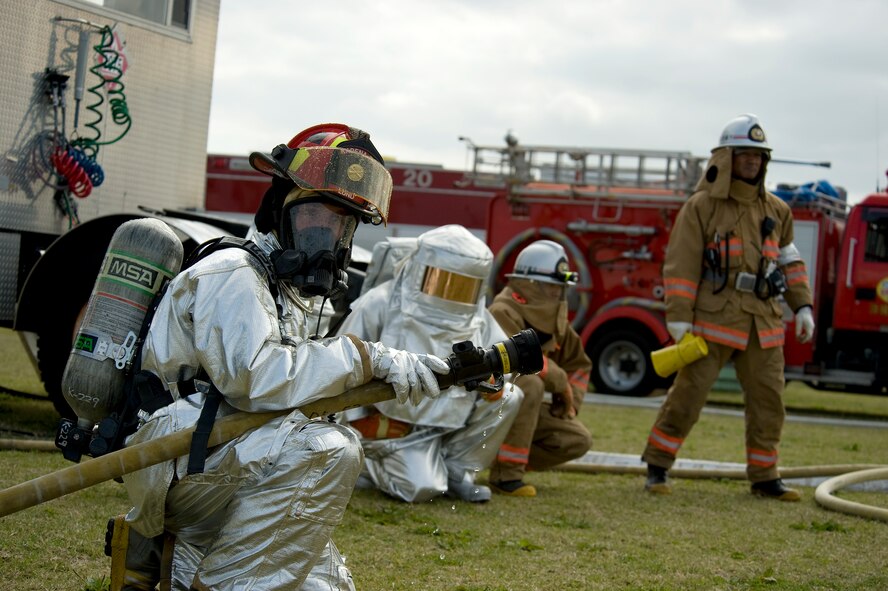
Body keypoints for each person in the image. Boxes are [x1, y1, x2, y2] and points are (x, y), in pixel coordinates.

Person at [118, 123, 450, 590]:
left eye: (341, 225)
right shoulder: (233, 274)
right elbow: (255, 380)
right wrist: (364, 358)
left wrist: (414, 372)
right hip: (176, 456)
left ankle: (160, 553)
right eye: (316, 216)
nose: (327, 235)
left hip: (226, 456)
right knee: (328, 450)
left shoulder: (293, 294)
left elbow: (301, 383)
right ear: (279, 209)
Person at [641, 114, 815, 501]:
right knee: (689, 395)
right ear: (726, 157)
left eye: (759, 156)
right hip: (714, 319)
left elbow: (790, 260)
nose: (753, 162)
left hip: (764, 321)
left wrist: (803, 306)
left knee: (770, 400)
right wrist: (679, 317)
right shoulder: (701, 207)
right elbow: (681, 263)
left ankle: (765, 476)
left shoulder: (778, 211)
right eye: (745, 154)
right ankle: (658, 466)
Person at [335, 224, 523, 503]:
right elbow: (342, 364)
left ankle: (457, 471)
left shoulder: (477, 317)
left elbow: (501, 363)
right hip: (389, 426)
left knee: (510, 396)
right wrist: (362, 420)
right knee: (420, 488)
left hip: (448, 421)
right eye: (442, 279)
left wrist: (496, 385)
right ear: (418, 270)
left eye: (463, 286)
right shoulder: (380, 303)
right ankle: (363, 465)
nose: (451, 293)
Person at [486, 240, 593, 497]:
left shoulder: (555, 323)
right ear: (529, 284)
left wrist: (570, 405)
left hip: (520, 414)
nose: (557, 296)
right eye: (551, 287)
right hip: (485, 408)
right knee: (531, 384)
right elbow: (524, 359)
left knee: (577, 439)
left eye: (560, 289)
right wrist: (561, 382)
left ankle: (502, 461)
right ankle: (506, 476)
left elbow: (579, 365)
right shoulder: (503, 311)